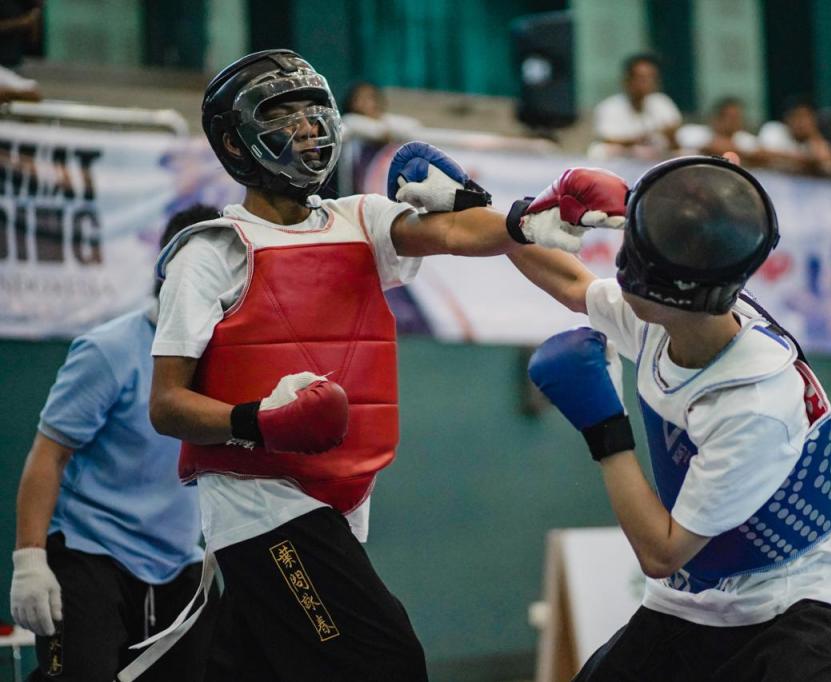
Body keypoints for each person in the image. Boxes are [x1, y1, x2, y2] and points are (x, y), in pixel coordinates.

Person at [139, 49, 618, 681]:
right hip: (260, 501)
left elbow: (450, 232)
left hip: (342, 495)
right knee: (382, 659)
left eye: (315, 110)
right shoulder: (211, 253)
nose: (309, 127)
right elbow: (167, 405)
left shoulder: (357, 218)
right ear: (236, 140)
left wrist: (531, 216)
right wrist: (260, 422)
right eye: (285, 113)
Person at [500, 156, 831, 681]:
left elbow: (662, 552)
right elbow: (570, 283)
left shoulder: (751, 405)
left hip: (785, 608)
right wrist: (510, 218)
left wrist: (604, 429)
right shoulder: (674, 319)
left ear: (656, 291)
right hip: (691, 601)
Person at [9, 204, 219, 681]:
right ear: (170, 271)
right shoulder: (108, 351)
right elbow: (50, 454)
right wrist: (29, 558)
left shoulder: (220, 359)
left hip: (178, 560)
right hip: (92, 553)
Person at [590, 53, 683, 159]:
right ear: (627, 80)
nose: (646, 83)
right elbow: (607, 140)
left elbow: (675, 143)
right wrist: (638, 140)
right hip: (623, 164)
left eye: (651, 78)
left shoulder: (662, 103)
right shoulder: (609, 107)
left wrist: (671, 136)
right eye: (641, 78)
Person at [758, 96, 831, 177]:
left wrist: (814, 136)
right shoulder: (774, 129)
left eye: (807, 117)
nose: (801, 123)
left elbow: (829, 164)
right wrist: (807, 161)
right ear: (787, 118)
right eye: (797, 116)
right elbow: (761, 154)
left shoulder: (814, 141)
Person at [676, 97, 761, 161]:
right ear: (717, 118)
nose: (736, 122)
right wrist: (747, 154)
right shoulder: (694, 132)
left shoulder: (745, 138)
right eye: (731, 118)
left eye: (738, 117)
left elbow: (763, 154)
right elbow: (715, 148)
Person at [340, 80, 421, 143]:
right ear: (351, 103)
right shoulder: (349, 121)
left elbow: (414, 126)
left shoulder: (386, 119)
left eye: (370, 97)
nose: (366, 102)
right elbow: (382, 134)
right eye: (359, 98)